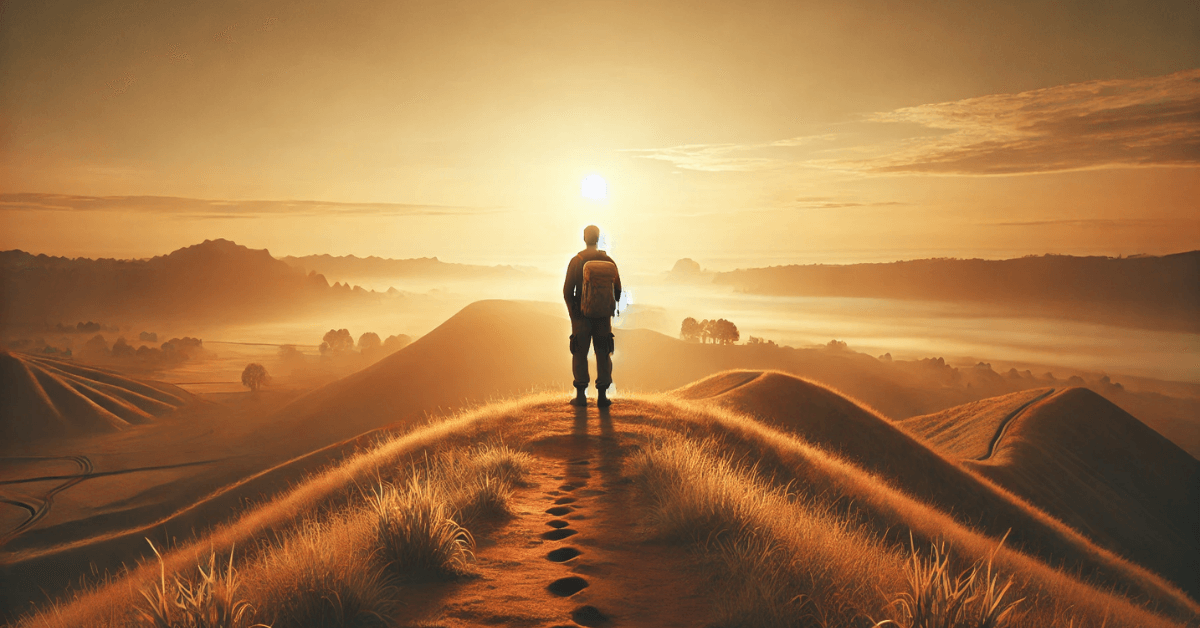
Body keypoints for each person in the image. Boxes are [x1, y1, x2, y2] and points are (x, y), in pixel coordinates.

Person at [563, 225, 622, 407]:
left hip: (581, 317)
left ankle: (581, 396)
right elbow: (618, 290)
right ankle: (602, 396)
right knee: (603, 353)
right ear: (598, 238)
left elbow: (567, 291)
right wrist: (607, 307)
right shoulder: (608, 261)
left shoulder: (577, 260)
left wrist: (574, 313)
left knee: (579, 352)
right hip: (603, 317)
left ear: (584, 238)